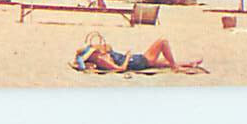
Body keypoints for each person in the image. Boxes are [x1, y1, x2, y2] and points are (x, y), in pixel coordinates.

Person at [74, 38, 202, 73]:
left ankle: (190, 64)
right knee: (163, 42)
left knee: (164, 61)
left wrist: (106, 49)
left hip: (136, 61)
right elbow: (120, 69)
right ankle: (175, 67)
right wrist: (128, 57)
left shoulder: (101, 55)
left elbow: (109, 49)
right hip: (136, 62)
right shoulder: (101, 59)